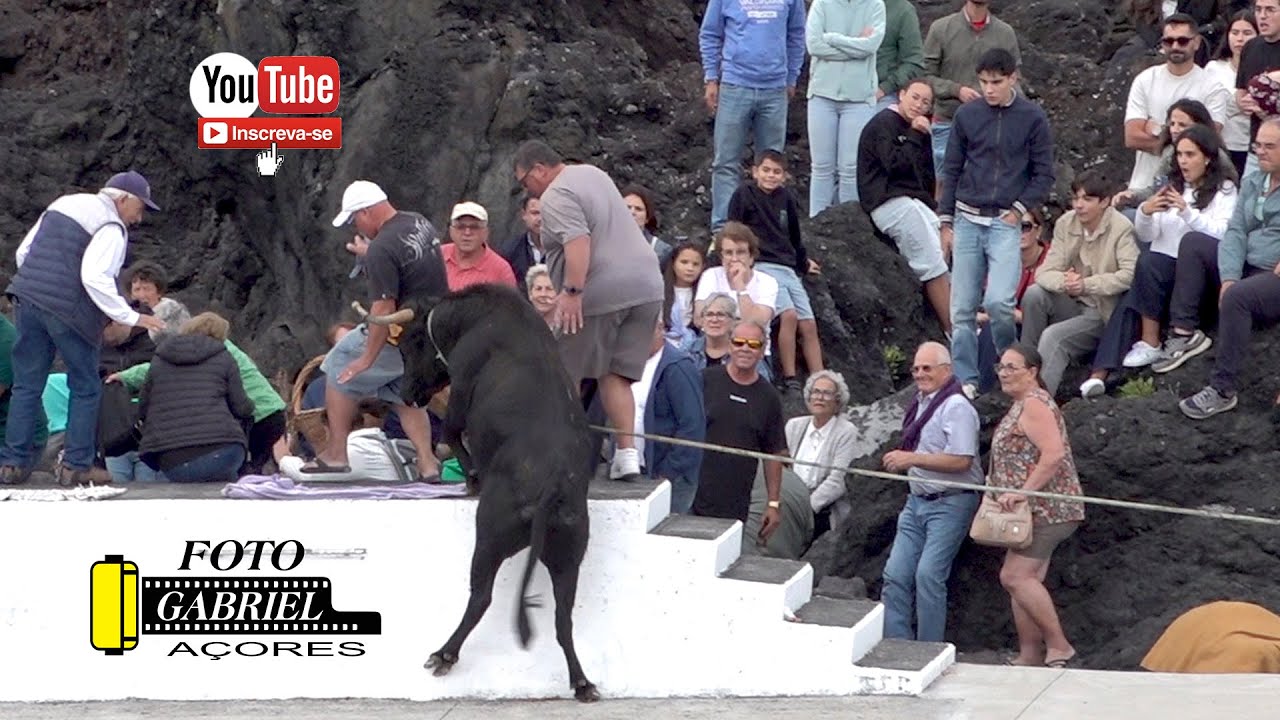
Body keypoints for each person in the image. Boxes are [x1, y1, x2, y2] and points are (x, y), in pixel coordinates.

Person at [0, 171, 166, 486]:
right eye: (139, 208)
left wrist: (40, 289)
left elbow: (25, 253)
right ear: (122, 198)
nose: (139, 218)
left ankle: (12, 464)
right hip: (68, 310)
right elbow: (95, 276)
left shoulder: (65, 203)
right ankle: (76, 466)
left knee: (26, 384)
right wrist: (131, 317)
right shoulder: (111, 226)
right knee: (86, 385)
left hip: (26, 298)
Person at [513, 140, 665, 482]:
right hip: (648, 287)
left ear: (539, 169)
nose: (528, 190)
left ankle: (555, 455)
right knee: (616, 374)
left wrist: (571, 291)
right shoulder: (593, 174)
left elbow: (577, 241)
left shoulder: (556, 195)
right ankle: (627, 456)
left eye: (525, 181)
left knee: (563, 372)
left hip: (599, 291)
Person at [302, 180, 448, 483]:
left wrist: (366, 359)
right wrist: (370, 254)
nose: (356, 224)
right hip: (429, 332)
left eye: (356, 218)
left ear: (366, 212)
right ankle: (428, 463)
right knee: (401, 394)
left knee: (338, 365)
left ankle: (336, 455)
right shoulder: (417, 222)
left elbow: (382, 313)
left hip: (399, 334)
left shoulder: (382, 247)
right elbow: (406, 262)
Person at [1083, 126, 1237, 396]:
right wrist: (1145, 212)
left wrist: (1188, 213)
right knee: (1144, 269)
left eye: (1190, 154)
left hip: (1202, 277)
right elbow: (1149, 235)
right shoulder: (1171, 186)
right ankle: (1126, 357)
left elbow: (1224, 235)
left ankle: (1181, 334)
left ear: (1208, 157)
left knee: (1188, 245)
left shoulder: (1225, 190)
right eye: (1179, 154)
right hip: (1166, 272)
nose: (1183, 161)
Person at [939, 48, 1055, 399]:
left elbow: (1044, 173)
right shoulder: (967, 115)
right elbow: (952, 168)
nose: (989, 89)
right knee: (961, 309)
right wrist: (946, 221)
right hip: (967, 218)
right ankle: (966, 379)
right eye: (984, 82)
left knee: (999, 303)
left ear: (1013, 78)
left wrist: (1019, 209)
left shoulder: (1033, 118)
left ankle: (1009, 366)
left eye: (996, 82)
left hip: (1005, 221)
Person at [1172, 118, 1280, 418]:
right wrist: (1229, 276)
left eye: (1270, 146)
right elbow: (1236, 230)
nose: (1261, 152)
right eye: (1258, 145)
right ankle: (1183, 332)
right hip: (1247, 264)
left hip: (1273, 275)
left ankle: (1222, 390)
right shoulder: (1256, 180)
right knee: (1194, 243)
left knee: (1237, 298)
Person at [879, 342, 982, 643]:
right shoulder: (921, 402)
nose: (920, 374)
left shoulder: (957, 407)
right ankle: (897, 644)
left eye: (927, 368)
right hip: (916, 501)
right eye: (916, 369)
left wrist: (911, 459)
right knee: (895, 574)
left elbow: (962, 460)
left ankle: (929, 648)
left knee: (928, 576)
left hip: (951, 501)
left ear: (947, 370)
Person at [989, 343, 1084, 668]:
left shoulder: (1034, 403)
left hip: (1048, 511)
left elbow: (1054, 454)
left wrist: (1024, 493)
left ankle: (1059, 645)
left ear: (1032, 372)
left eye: (1012, 367)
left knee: (1014, 576)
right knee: (1025, 580)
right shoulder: (1021, 404)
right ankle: (1030, 652)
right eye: (1000, 367)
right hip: (1031, 513)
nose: (1004, 373)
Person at [110, 312, 289, 476]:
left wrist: (125, 376)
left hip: (258, 417)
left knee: (246, 472)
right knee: (250, 470)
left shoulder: (216, 352)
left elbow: (155, 368)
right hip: (273, 412)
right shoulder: (223, 349)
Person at [1020, 171, 1139, 396]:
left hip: (1101, 311)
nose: (1079, 205)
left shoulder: (1121, 227)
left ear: (1104, 202)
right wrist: (1066, 282)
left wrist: (1086, 284)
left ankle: (1037, 402)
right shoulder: (1066, 223)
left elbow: (1129, 275)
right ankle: (1024, 367)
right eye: (1076, 198)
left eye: (1087, 199)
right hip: (1073, 300)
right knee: (1034, 294)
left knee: (1054, 337)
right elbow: (1044, 273)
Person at [700, 0, 806, 231]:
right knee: (726, 162)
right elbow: (710, 33)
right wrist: (711, 77)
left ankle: (766, 228)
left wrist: (791, 77)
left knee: (771, 166)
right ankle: (724, 230)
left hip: (775, 90)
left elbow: (797, 34)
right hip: (734, 86)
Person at [858, 77, 952, 336]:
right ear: (901, 95)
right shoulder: (884, 124)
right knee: (931, 261)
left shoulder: (918, 127)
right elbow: (894, 166)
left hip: (912, 200)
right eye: (915, 97)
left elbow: (925, 174)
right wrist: (913, 135)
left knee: (941, 241)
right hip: (886, 200)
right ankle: (952, 329)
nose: (919, 105)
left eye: (926, 102)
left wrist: (935, 208)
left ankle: (958, 319)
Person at [727, 150, 824, 391]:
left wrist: (803, 263)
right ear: (755, 171)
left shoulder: (786, 198)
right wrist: (738, 260)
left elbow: (794, 235)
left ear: (784, 175)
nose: (771, 175)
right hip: (762, 265)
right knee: (788, 316)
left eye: (777, 172)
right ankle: (790, 378)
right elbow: (733, 229)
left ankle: (821, 379)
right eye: (766, 170)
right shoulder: (744, 194)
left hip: (788, 267)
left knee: (809, 323)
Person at [692, 320, 786, 543]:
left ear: (763, 350)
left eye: (753, 344)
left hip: (734, 503)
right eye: (739, 342)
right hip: (692, 491)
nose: (745, 348)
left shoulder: (769, 397)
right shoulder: (705, 379)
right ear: (730, 346)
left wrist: (773, 504)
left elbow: (774, 453)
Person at [137, 313, 256, 483]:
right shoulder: (223, 356)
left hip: (171, 458)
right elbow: (241, 407)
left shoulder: (160, 358)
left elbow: (143, 408)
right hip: (222, 450)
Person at [1123, 14, 1229, 194]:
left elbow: (1209, 140)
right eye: (1168, 41)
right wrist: (1185, 139)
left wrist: (1155, 129)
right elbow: (1132, 137)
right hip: (1142, 184)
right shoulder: (1145, 80)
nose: (1175, 46)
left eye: (1182, 41)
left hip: (1194, 190)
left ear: (1196, 43)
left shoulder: (1213, 87)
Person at [922, 0, 1022, 175]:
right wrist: (956, 90)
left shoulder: (1005, 33)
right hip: (949, 121)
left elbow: (1015, 78)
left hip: (993, 123)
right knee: (944, 181)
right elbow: (925, 76)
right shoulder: (940, 29)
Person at [804, 0, 885, 213]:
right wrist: (854, 44)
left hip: (859, 100)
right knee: (821, 169)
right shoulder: (821, 4)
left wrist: (832, 38)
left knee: (850, 170)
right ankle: (817, 224)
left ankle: (850, 228)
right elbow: (814, 45)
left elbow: (870, 46)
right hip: (821, 95)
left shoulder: (875, 5)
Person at [631, 318, 705, 514]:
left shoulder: (679, 367)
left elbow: (692, 426)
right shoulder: (626, 362)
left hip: (666, 477)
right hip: (632, 468)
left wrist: (668, 472)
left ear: (660, 329)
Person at [976, 209, 1049, 394]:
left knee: (991, 330)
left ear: (1038, 231)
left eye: (1025, 227)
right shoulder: (1001, 259)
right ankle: (979, 390)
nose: (1019, 233)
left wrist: (1007, 315)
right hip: (1006, 321)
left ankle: (984, 392)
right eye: (1013, 227)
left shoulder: (1052, 259)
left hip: (1041, 325)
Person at [784, 370, 858, 539]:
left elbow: (837, 481)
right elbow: (783, 468)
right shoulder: (793, 426)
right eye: (815, 392)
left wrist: (805, 508)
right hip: (789, 502)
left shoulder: (846, 431)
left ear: (837, 400)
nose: (819, 397)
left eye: (827, 393)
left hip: (821, 510)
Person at [1206, 11, 1260, 177]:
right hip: (1224, 146)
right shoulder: (1214, 69)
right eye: (1235, 33)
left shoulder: (1266, 69)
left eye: (1247, 33)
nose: (1240, 39)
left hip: (1255, 147)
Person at [1236, 0, 1280, 179]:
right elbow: (1240, 92)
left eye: (1270, 10)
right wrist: (1244, 103)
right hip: (1257, 150)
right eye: (1259, 9)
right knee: (1248, 205)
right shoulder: (1251, 47)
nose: (1262, 16)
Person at [441, 201, 518, 291]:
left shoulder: (500, 270)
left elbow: (510, 303)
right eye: (461, 227)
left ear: (485, 233)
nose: (467, 233)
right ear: (451, 231)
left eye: (474, 227)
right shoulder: (436, 256)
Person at [122, 261, 191, 341]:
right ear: (131, 294)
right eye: (137, 290)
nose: (142, 295)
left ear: (159, 292)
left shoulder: (173, 311)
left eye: (147, 289)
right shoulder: (125, 315)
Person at [875, 0, 925, 110]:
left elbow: (914, 61)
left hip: (882, 93)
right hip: (834, 90)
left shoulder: (903, 10)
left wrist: (884, 89)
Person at [662, 241, 705, 347]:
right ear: (673, 263)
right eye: (684, 262)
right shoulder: (660, 290)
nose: (690, 268)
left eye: (695, 264)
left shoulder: (703, 293)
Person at [621, 185, 674, 268]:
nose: (632, 212)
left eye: (638, 209)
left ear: (647, 218)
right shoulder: (601, 242)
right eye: (627, 207)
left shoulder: (660, 250)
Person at [500, 195, 543, 293]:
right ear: (524, 215)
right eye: (535, 213)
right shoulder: (510, 251)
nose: (540, 219)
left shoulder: (564, 250)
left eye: (546, 213)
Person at [525, 264, 558, 328]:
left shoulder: (568, 328)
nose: (543, 294)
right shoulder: (521, 325)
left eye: (549, 289)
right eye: (538, 289)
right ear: (530, 293)